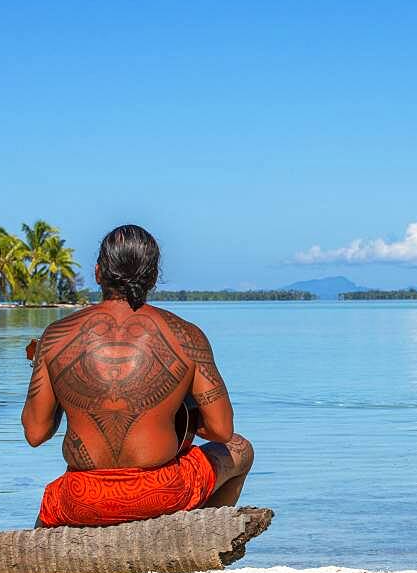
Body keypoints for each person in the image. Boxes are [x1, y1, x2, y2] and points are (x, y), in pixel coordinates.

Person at [21, 224, 254, 527]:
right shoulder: (187, 336)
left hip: (80, 498)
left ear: (97, 273)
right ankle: (195, 539)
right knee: (240, 449)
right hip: (161, 493)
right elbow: (222, 431)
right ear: (154, 277)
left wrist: (51, 378)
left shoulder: (55, 337)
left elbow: (35, 434)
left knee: (57, 498)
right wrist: (174, 422)